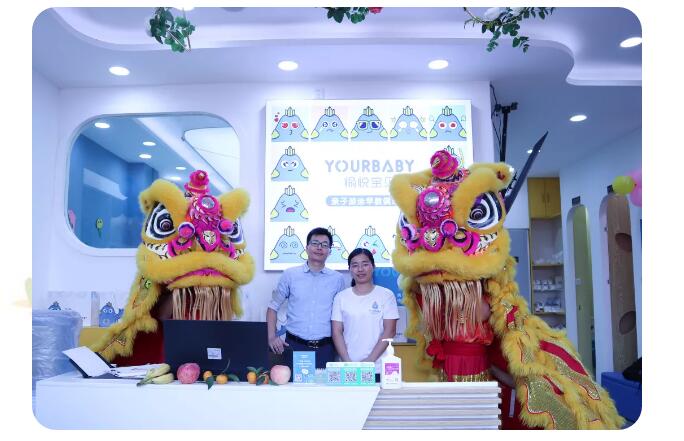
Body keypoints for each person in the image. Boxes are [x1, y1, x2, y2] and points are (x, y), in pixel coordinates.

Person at [267, 227, 346, 371]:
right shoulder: (290, 275)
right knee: (292, 385)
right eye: (315, 243)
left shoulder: (338, 279)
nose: (319, 248)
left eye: (324, 245)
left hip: (325, 349)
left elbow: (341, 316)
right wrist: (272, 337)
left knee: (323, 386)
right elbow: (273, 307)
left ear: (330, 251)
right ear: (307, 247)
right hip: (294, 346)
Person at [331, 248, 399, 380]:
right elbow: (336, 332)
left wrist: (370, 361)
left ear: (373, 266)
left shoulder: (386, 295)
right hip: (348, 367)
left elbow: (390, 331)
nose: (360, 269)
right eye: (355, 265)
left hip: (378, 367)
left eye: (365, 264)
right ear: (350, 269)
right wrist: (347, 362)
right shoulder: (341, 297)